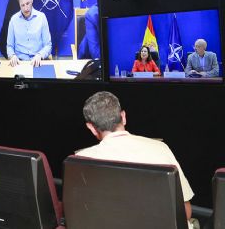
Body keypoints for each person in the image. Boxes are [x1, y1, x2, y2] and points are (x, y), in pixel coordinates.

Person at [76, 91, 195, 227]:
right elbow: (185, 211)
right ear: (123, 117)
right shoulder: (160, 148)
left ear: (91, 127)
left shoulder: (80, 160)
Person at [6, 0, 52, 67]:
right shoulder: (13, 20)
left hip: (38, 62)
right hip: (19, 63)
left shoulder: (41, 17)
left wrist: (40, 55)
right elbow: (9, 46)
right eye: (22, 5)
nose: (26, 8)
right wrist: (12, 55)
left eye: (28, 3)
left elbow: (48, 45)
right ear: (19, 4)